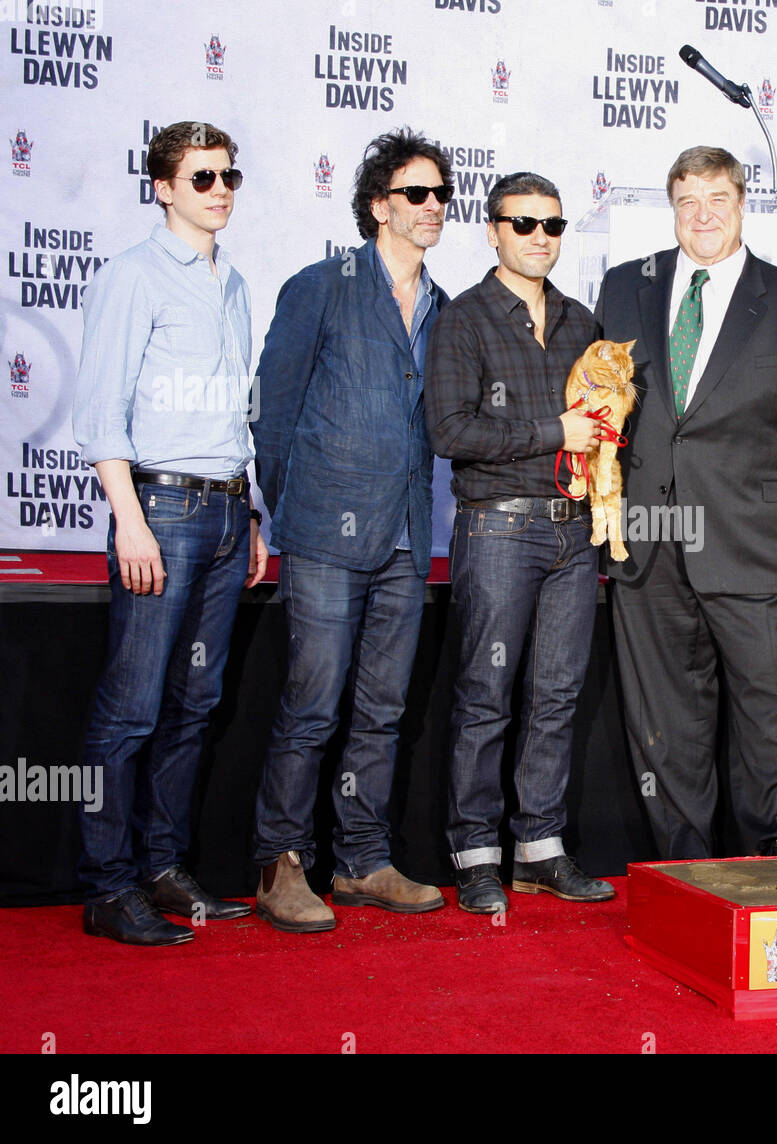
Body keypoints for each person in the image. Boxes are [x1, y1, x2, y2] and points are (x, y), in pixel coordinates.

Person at [594, 145, 777, 859]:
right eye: (687, 202)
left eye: (716, 199)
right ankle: (685, 874)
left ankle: (772, 874)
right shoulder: (624, 288)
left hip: (753, 546)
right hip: (646, 546)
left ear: (742, 203)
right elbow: (606, 407)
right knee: (665, 727)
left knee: (771, 722)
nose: (702, 215)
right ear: (672, 209)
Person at [251, 128, 450, 931]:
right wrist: (292, 509)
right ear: (378, 206)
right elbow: (274, 413)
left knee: (382, 709)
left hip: (406, 537)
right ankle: (279, 865)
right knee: (311, 705)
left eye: (442, 194)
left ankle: (363, 860)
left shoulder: (445, 303)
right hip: (325, 537)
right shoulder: (321, 286)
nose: (433, 206)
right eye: (416, 193)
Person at [73, 120, 267, 945]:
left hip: (225, 511)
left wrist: (251, 512)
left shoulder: (234, 283)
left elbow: (236, 416)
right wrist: (130, 521)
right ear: (161, 188)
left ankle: (160, 866)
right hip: (161, 510)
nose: (219, 189)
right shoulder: (133, 277)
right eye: (201, 178)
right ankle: (107, 885)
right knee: (130, 709)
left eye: (228, 175)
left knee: (194, 706)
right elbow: (99, 415)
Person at [426, 172, 614, 913]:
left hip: (574, 532)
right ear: (493, 230)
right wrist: (552, 433)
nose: (541, 237)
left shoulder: (581, 321)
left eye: (553, 225)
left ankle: (539, 849)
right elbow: (450, 431)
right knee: (485, 695)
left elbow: (604, 424)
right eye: (524, 223)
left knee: (557, 694)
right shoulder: (463, 319)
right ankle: (475, 855)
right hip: (499, 526)